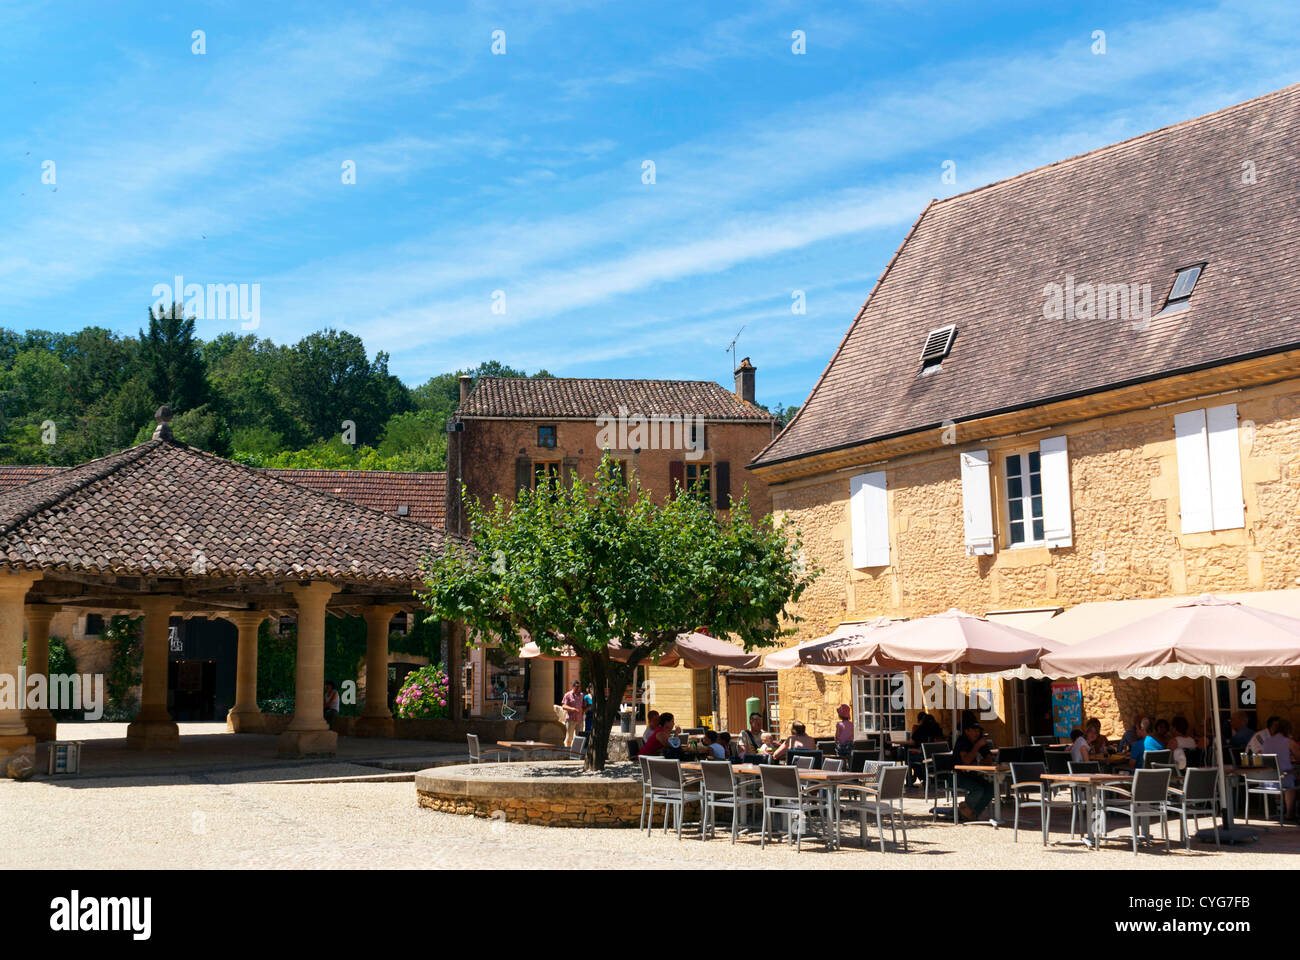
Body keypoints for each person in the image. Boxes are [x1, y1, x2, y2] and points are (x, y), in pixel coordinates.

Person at [953, 718, 995, 822]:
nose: (977, 733)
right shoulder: (962, 742)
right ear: (967, 731)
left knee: (991, 789)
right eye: (974, 730)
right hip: (957, 775)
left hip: (973, 774)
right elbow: (966, 762)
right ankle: (968, 812)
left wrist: (978, 763)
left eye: (978, 730)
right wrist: (977, 746)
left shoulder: (980, 740)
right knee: (978, 789)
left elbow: (989, 759)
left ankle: (970, 812)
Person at [1260, 718, 1299, 819]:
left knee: (1288, 775)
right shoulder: (1289, 742)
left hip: (1267, 780)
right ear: (1288, 730)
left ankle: (1279, 807)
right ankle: (1289, 813)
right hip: (1282, 779)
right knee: (1292, 778)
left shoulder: (1266, 742)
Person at [560, 680, 584, 747]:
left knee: (580, 738)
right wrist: (572, 709)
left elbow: (583, 706)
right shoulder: (567, 695)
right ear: (573, 687)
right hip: (571, 720)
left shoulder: (582, 695)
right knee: (569, 738)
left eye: (579, 687)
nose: (578, 688)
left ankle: (577, 753)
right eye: (577, 687)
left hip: (580, 720)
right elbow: (563, 706)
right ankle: (568, 751)